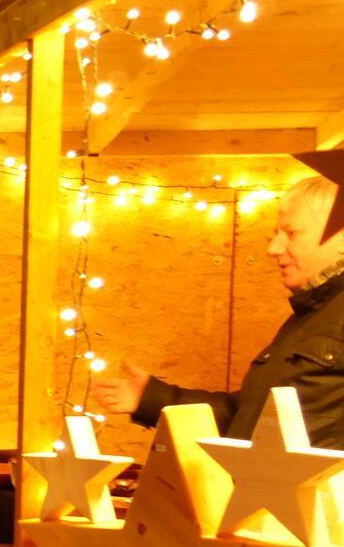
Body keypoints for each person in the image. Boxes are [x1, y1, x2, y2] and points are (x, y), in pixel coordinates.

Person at [93, 168, 344, 446]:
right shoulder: (308, 319)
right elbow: (246, 418)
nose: (273, 248)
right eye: (276, 234)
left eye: (291, 233)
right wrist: (153, 399)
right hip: (268, 488)